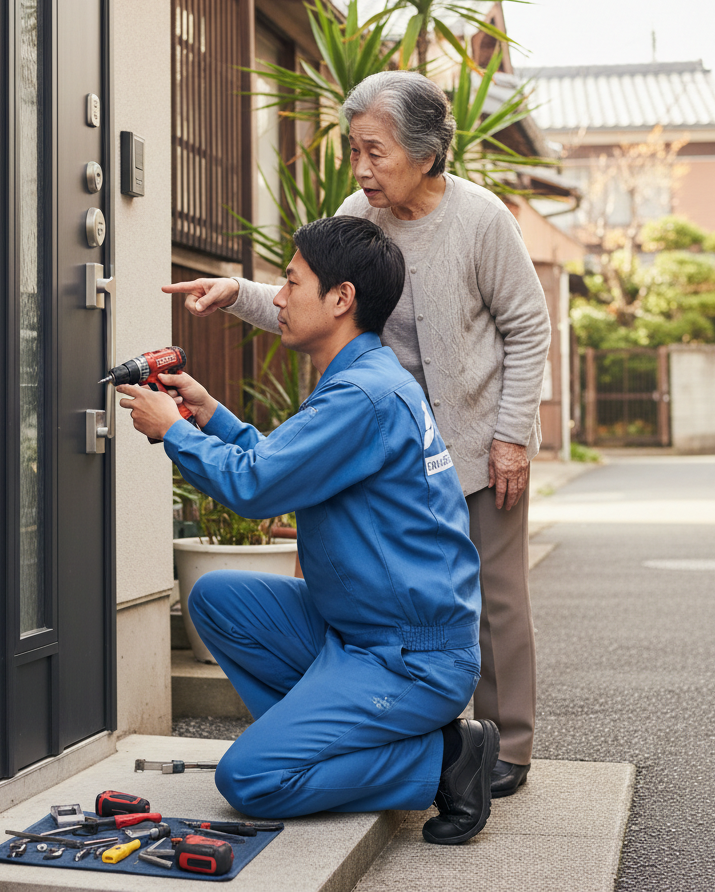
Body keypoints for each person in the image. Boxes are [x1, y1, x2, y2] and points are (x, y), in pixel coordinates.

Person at [163, 71, 551, 798]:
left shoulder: (479, 218)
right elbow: (314, 294)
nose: (362, 169)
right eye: (355, 151)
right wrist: (235, 293)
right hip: (376, 448)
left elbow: (529, 327)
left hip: (471, 440)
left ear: (427, 151)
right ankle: (344, 745)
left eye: (376, 152)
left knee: (493, 601)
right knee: (362, 586)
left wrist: (511, 436)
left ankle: (504, 749)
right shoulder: (359, 214)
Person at [119, 216, 497, 843]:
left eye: (292, 283)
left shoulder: (363, 397)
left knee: (250, 781)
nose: (280, 298)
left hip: (408, 657)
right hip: (360, 629)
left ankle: (447, 762)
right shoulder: (363, 380)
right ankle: (322, 749)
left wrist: (174, 430)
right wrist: (208, 415)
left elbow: (257, 487)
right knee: (216, 599)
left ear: (341, 299)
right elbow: (280, 462)